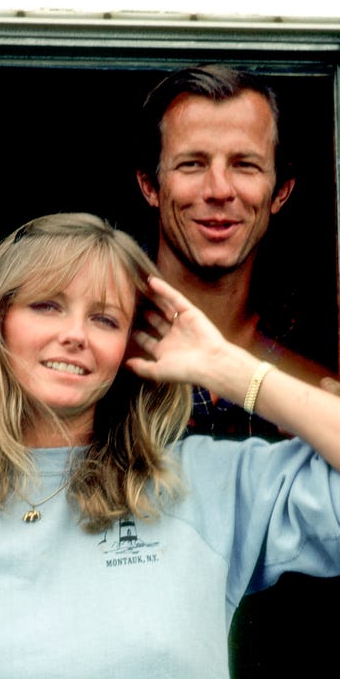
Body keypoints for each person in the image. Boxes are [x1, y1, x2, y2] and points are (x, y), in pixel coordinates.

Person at [0, 212, 340, 678]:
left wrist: (225, 367)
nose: (74, 335)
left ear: (131, 348)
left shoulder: (207, 486)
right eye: (47, 305)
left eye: (105, 320)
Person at [135, 63, 339, 441]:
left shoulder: (322, 354)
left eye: (244, 165)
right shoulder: (99, 335)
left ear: (281, 191)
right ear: (150, 185)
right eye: (192, 164)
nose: (219, 189)